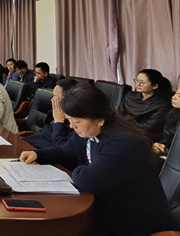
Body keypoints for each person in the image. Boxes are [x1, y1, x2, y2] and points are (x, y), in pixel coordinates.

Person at [19, 84, 170, 236]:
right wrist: (37, 155)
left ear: (99, 120)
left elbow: (86, 180)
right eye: (69, 120)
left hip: (134, 219)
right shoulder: (89, 131)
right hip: (106, 204)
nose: (71, 126)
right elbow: (65, 151)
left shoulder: (123, 143)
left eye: (76, 121)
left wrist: (79, 170)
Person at [25, 78, 77, 149]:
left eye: (56, 96)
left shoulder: (76, 123)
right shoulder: (54, 112)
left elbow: (62, 149)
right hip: (30, 144)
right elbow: (43, 134)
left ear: (68, 99)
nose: (52, 99)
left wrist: (59, 122)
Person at [117, 68, 173, 133]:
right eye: (136, 81)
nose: (137, 84)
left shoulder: (162, 104)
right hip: (124, 128)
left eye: (142, 82)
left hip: (144, 134)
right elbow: (119, 114)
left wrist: (125, 123)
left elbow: (149, 127)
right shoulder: (129, 96)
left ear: (155, 86)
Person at [153, 88, 180, 156]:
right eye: (176, 93)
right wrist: (160, 145)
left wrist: (165, 151)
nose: (173, 97)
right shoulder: (173, 114)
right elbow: (168, 138)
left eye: (179, 96)